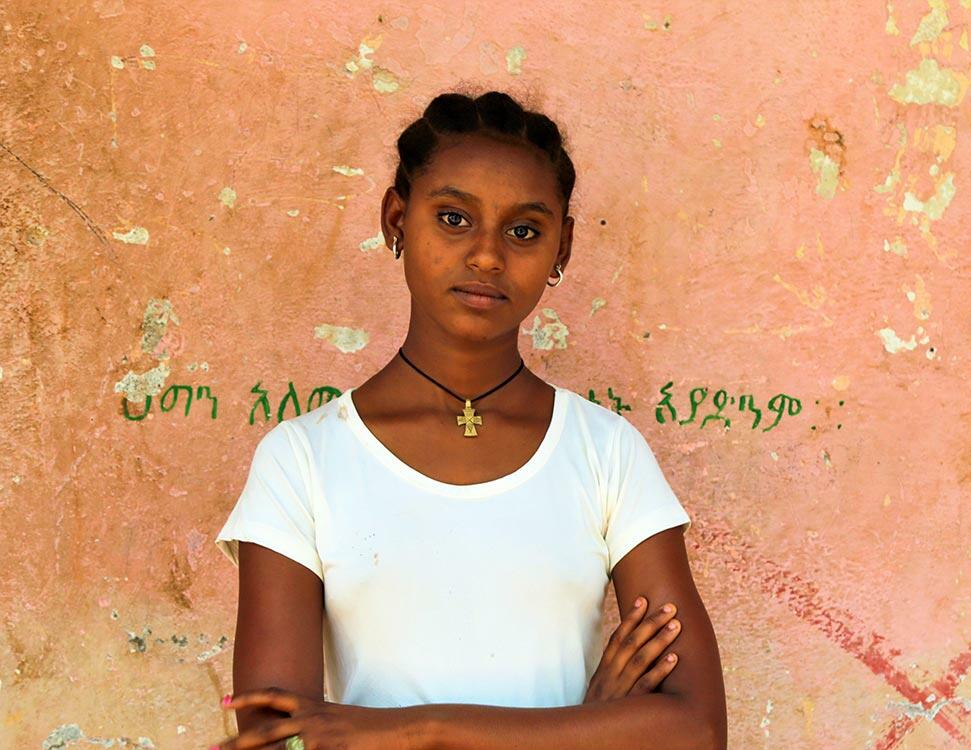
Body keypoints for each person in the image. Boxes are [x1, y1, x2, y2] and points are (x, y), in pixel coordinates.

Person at [212, 89, 727, 750]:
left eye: (524, 231)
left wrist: (413, 731)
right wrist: (587, 727)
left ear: (562, 246)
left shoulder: (606, 453)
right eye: (453, 219)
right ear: (396, 220)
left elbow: (697, 730)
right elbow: (278, 739)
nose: (487, 255)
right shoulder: (302, 460)